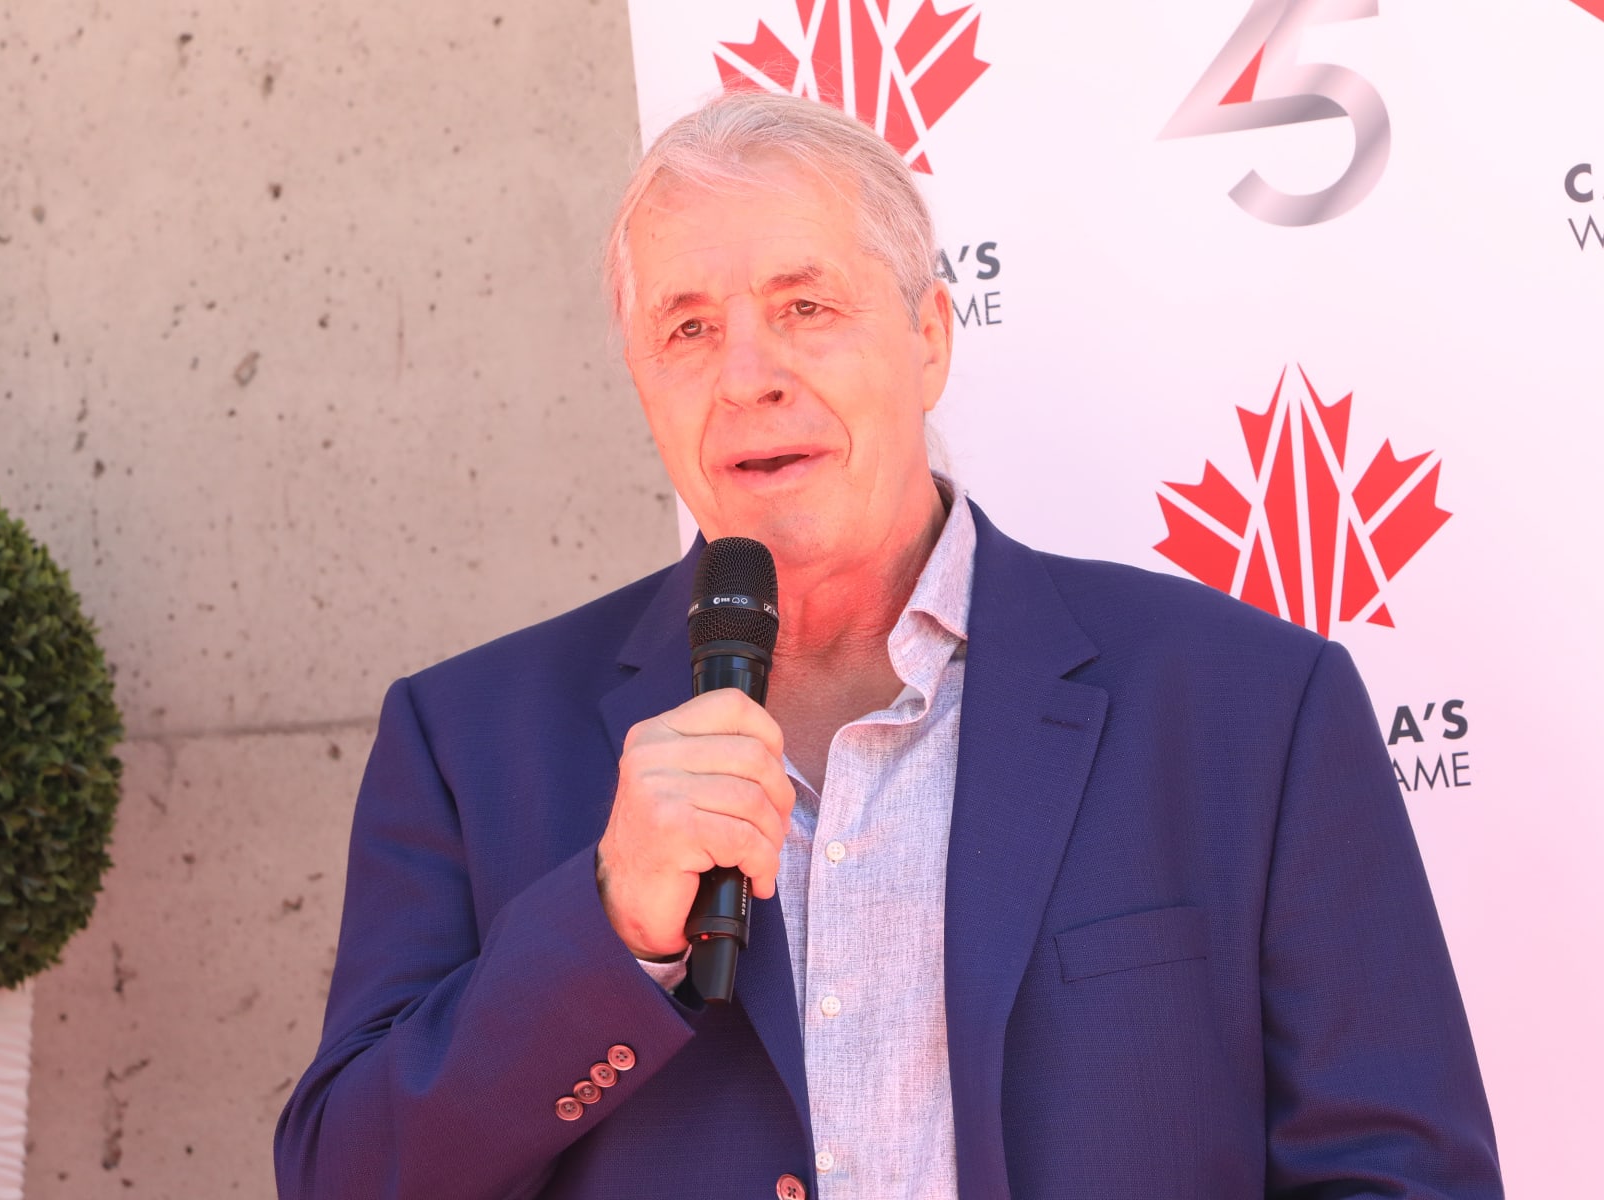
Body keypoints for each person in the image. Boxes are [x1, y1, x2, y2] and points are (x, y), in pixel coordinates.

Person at [274, 90, 1501, 1199]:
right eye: (688, 331)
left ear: (930, 340)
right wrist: (606, 930)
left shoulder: (1247, 709)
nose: (748, 375)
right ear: (641, 380)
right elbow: (349, 1180)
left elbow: (1398, 1176)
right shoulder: (469, 741)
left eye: (805, 308)